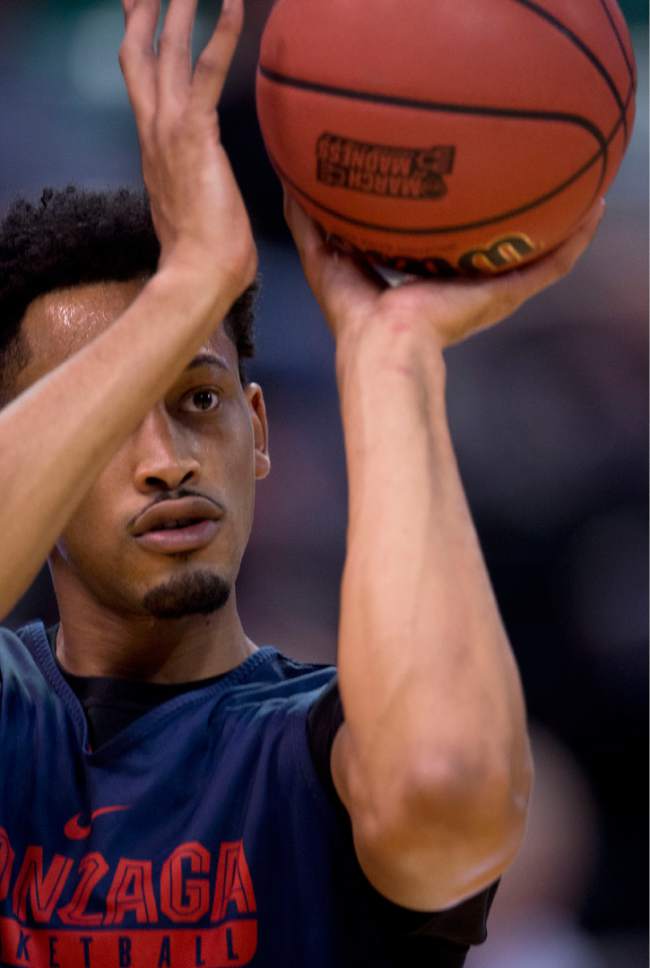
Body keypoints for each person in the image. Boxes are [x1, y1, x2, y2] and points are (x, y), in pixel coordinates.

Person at [0, 1, 604, 966]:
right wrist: (189, 286)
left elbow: (450, 789)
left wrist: (391, 352)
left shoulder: (315, 748)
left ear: (261, 431)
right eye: (107, 416)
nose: (166, 456)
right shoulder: (17, 714)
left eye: (199, 399)